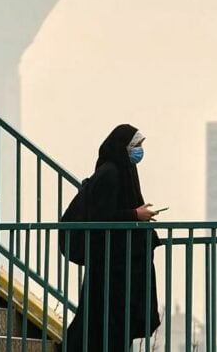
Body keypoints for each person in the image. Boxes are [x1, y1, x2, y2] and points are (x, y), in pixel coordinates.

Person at [66, 124, 161, 351]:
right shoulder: (109, 173)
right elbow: (101, 217)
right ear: (122, 146)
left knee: (116, 322)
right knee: (105, 321)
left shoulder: (124, 171)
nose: (139, 150)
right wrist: (135, 215)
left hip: (119, 262)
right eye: (136, 145)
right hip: (109, 263)